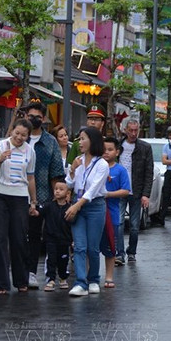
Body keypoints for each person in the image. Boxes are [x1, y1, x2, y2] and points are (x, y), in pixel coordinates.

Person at [0, 119, 37, 294]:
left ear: (28, 136)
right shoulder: (0, 146)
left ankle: (21, 280)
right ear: (12, 131)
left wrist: (33, 201)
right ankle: (0, 283)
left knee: (18, 239)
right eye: (16, 133)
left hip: (19, 197)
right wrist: (0, 159)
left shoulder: (30, 151)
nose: (19, 137)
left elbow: (31, 178)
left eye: (23, 135)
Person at [23, 102, 66, 289]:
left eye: (38, 117)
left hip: (41, 197)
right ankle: (18, 272)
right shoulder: (17, 137)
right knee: (15, 236)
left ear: (44, 119)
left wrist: (57, 200)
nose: (34, 119)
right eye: (30, 115)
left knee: (34, 236)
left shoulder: (50, 142)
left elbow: (56, 173)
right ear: (25, 116)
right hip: (15, 196)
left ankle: (31, 272)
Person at [65, 127, 109, 297]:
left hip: (95, 206)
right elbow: (69, 183)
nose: (80, 142)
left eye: (83, 138)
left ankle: (94, 280)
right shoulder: (78, 160)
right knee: (79, 246)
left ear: (93, 141)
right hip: (78, 205)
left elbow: (92, 190)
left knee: (92, 247)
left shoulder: (102, 164)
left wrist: (76, 206)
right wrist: (72, 169)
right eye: (79, 139)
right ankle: (80, 282)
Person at [117, 117, 153, 263]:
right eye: (130, 130)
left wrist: (146, 194)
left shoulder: (145, 147)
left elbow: (148, 172)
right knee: (118, 223)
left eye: (136, 130)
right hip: (119, 191)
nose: (133, 133)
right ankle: (119, 253)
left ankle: (131, 251)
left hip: (136, 192)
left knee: (134, 226)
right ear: (125, 130)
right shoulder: (118, 146)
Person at [102, 137, 130, 285]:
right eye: (104, 149)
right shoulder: (96, 166)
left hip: (112, 213)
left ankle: (109, 277)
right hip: (95, 213)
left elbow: (126, 190)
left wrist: (108, 194)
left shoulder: (120, 170)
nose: (106, 152)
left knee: (110, 246)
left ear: (117, 152)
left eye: (110, 149)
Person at [41, 180, 71, 291]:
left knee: (64, 259)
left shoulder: (69, 208)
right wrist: (35, 211)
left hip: (64, 239)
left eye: (61, 189)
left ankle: (63, 278)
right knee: (51, 259)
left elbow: (72, 223)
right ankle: (51, 279)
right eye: (56, 189)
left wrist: (72, 239)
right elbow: (40, 213)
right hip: (51, 239)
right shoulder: (49, 206)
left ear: (67, 193)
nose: (57, 191)